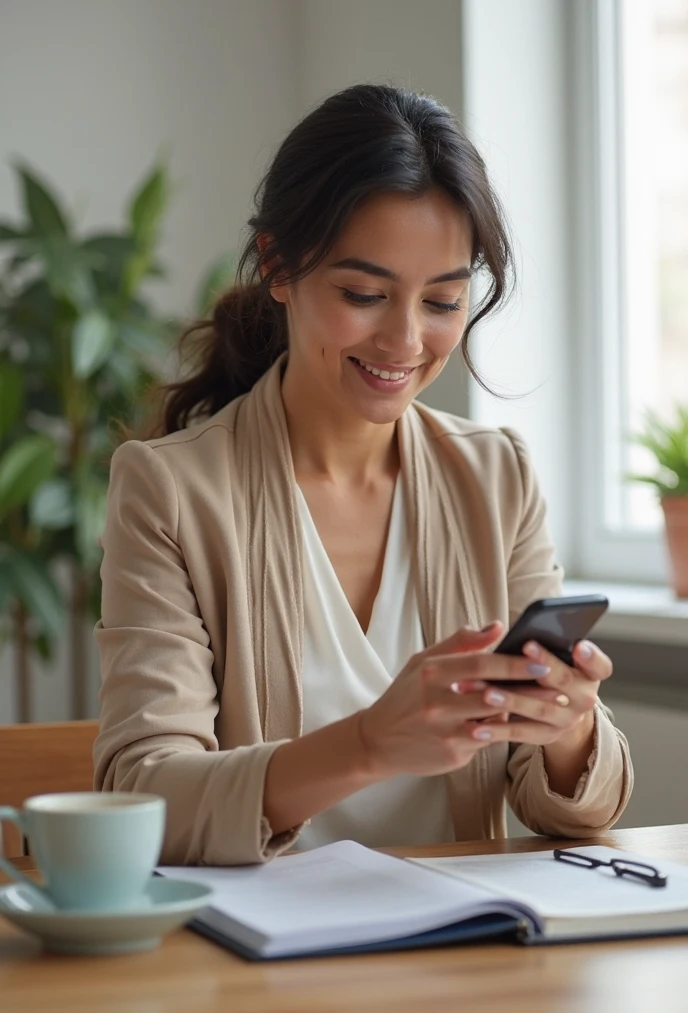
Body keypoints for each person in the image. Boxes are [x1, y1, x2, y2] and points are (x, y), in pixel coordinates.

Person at [94, 84, 632, 865]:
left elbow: (575, 814)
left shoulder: (497, 476)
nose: (405, 340)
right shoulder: (170, 491)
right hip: (253, 971)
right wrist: (370, 745)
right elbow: (143, 797)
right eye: (364, 294)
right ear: (278, 266)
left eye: (443, 300)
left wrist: (571, 729)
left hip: (463, 956)